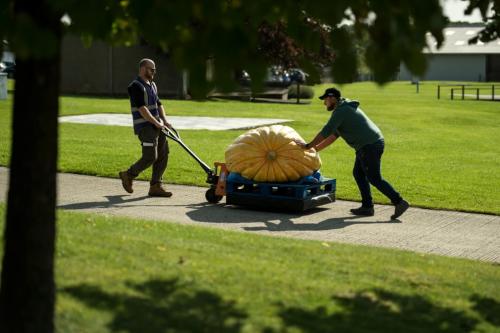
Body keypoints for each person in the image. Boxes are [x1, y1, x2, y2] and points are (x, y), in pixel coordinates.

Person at [298, 87, 409, 219]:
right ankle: (367, 207)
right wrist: (315, 149)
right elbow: (333, 136)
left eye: (325, 100)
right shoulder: (345, 108)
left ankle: (399, 201)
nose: (324, 103)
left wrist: (308, 146)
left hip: (369, 146)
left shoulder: (341, 111)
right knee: (359, 174)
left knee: (374, 178)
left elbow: (326, 131)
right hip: (369, 144)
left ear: (332, 98)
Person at [119, 58, 173, 197]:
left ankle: (155, 186)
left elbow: (159, 104)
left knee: (163, 154)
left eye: (154, 69)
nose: (154, 72)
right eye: (151, 69)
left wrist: (164, 121)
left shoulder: (153, 85)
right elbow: (142, 109)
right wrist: (156, 122)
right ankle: (128, 174)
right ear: (143, 69)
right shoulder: (135, 86)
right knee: (150, 156)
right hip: (145, 127)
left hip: (157, 125)